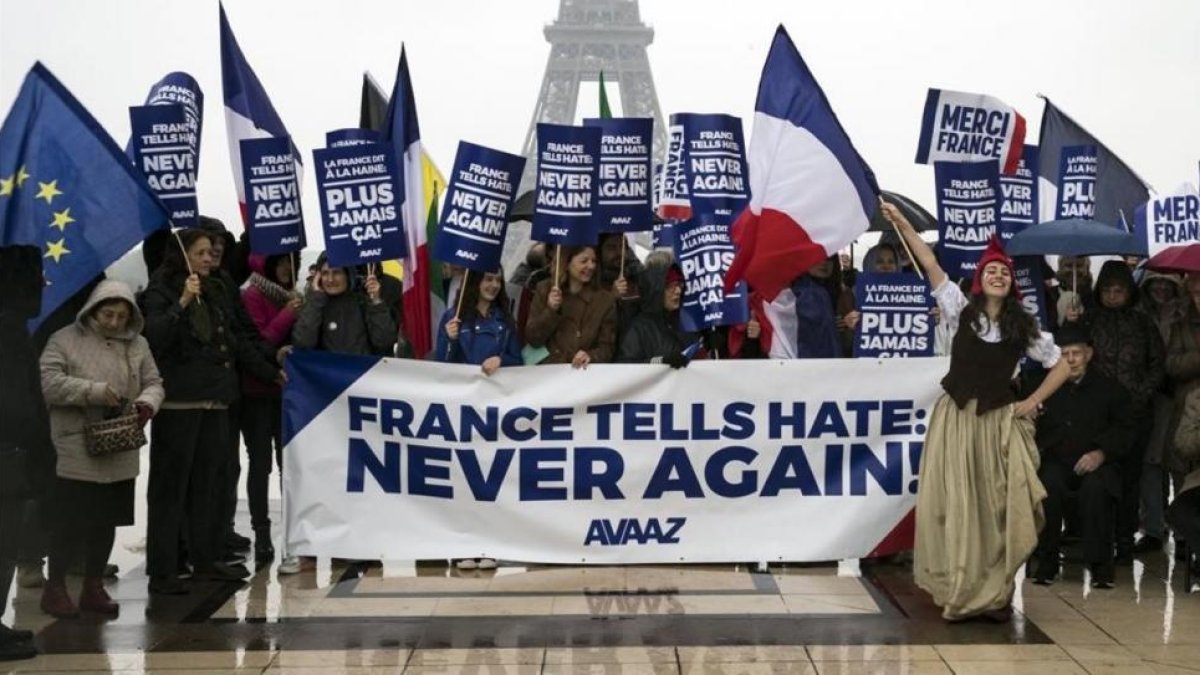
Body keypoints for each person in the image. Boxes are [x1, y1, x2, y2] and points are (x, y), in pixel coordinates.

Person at [886, 202, 1070, 622]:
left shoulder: (1023, 325)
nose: (999, 275)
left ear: (1012, 283)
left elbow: (1062, 364)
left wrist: (1031, 400)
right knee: (959, 506)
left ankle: (994, 593)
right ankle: (962, 588)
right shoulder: (956, 307)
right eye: (992, 270)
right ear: (980, 279)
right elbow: (929, 260)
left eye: (1005, 271)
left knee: (995, 509)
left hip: (997, 425)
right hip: (956, 421)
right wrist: (900, 221)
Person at [141, 229, 282, 595]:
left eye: (210, 252)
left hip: (217, 403)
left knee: (210, 487)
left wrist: (271, 373)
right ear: (183, 255)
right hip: (179, 405)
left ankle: (206, 558)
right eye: (201, 252)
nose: (209, 258)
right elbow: (154, 339)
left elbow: (236, 340)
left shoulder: (219, 288)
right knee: (170, 491)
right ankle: (164, 567)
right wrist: (183, 302)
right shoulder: (160, 291)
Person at [38, 281, 164, 618]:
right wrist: (92, 392)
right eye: (108, 314)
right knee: (70, 521)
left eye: (121, 316)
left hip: (120, 444)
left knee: (106, 520)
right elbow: (48, 383)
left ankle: (94, 585)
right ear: (93, 310)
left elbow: (154, 382)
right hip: (75, 444)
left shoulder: (138, 344)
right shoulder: (64, 340)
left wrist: (146, 404)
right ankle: (56, 586)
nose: (113, 322)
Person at [1025, 324, 1132, 588]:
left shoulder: (1110, 389)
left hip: (1097, 461)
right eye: (1065, 354)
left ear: (1089, 354)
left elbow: (1126, 428)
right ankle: (1045, 564)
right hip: (1055, 459)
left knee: (1097, 490)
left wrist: (1101, 453)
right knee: (1046, 486)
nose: (1071, 360)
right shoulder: (1042, 387)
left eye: (1076, 353)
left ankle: (1100, 569)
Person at [1088, 260, 1166, 562]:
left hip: (1136, 414)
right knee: (1102, 477)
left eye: (1119, 290)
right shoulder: (1090, 321)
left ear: (1129, 291)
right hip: (1099, 415)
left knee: (1131, 480)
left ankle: (1124, 540)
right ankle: (1099, 539)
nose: (1112, 295)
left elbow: (1157, 365)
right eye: (1107, 289)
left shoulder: (1143, 322)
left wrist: (1140, 395)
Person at [0, 245, 54, 661]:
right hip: (7, 452)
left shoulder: (15, 325)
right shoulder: (6, 329)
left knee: (6, 545)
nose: (44, 284)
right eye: (36, 277)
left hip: (15, 454)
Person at [239, 252, 302, 566]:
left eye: (292, 263)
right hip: (257, 392)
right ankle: (262, 533)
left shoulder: (295, 297)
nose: (286, 269)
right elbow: (259, 342)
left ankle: (292, 529)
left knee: (288, 464)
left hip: (287, 392)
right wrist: (288, 314)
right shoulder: (252, 294)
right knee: (261, 463)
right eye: (280, 264)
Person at [1137, 271, 1188, 555]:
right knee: (1151, 465)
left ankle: (1183, 532)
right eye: (1154, 282)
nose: (1160, 287)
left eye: (1166, 282)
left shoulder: (1185, 313)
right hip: (1152, 398)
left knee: (1180, 464)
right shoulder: (1140, 313)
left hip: (1181, 394)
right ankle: (1154, 528)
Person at [525, 245, 617, 367]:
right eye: (584, 261)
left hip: (583, 375)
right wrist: (550, 311)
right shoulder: (544, 289)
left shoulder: (605, 300)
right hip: (548, 374)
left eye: (594, 261)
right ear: (567, 262)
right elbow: (533, 339)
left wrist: (591, 356)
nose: (591, 266)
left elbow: (607, 348)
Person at [292, 253, 397, 356]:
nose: (330, 279)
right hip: (327, 372)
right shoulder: (314, 306)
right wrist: (316, 300)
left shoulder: (364, 303)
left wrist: (376, 302)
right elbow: (302, 343)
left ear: (347, 275)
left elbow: (385, 342)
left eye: (336, 272)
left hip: (363, 371)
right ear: (318, 277)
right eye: (325, 273)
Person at [436, 267, 522, 375]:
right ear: (474, 281)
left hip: (495, 389)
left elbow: (518, 361)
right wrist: (450, 340)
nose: (495, 285)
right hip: (462, 387)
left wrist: (501, 360)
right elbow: (441, 365)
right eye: (489, 279)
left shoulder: (505, 318)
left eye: (498, 280)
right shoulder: (452, 317)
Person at [618, 263, 698, 366]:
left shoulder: (686, 322)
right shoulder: (638, 328)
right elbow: (624, 366)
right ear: (656, 290)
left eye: (679, 284)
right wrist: (660, 361)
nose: (678, 291)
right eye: (670, 286)